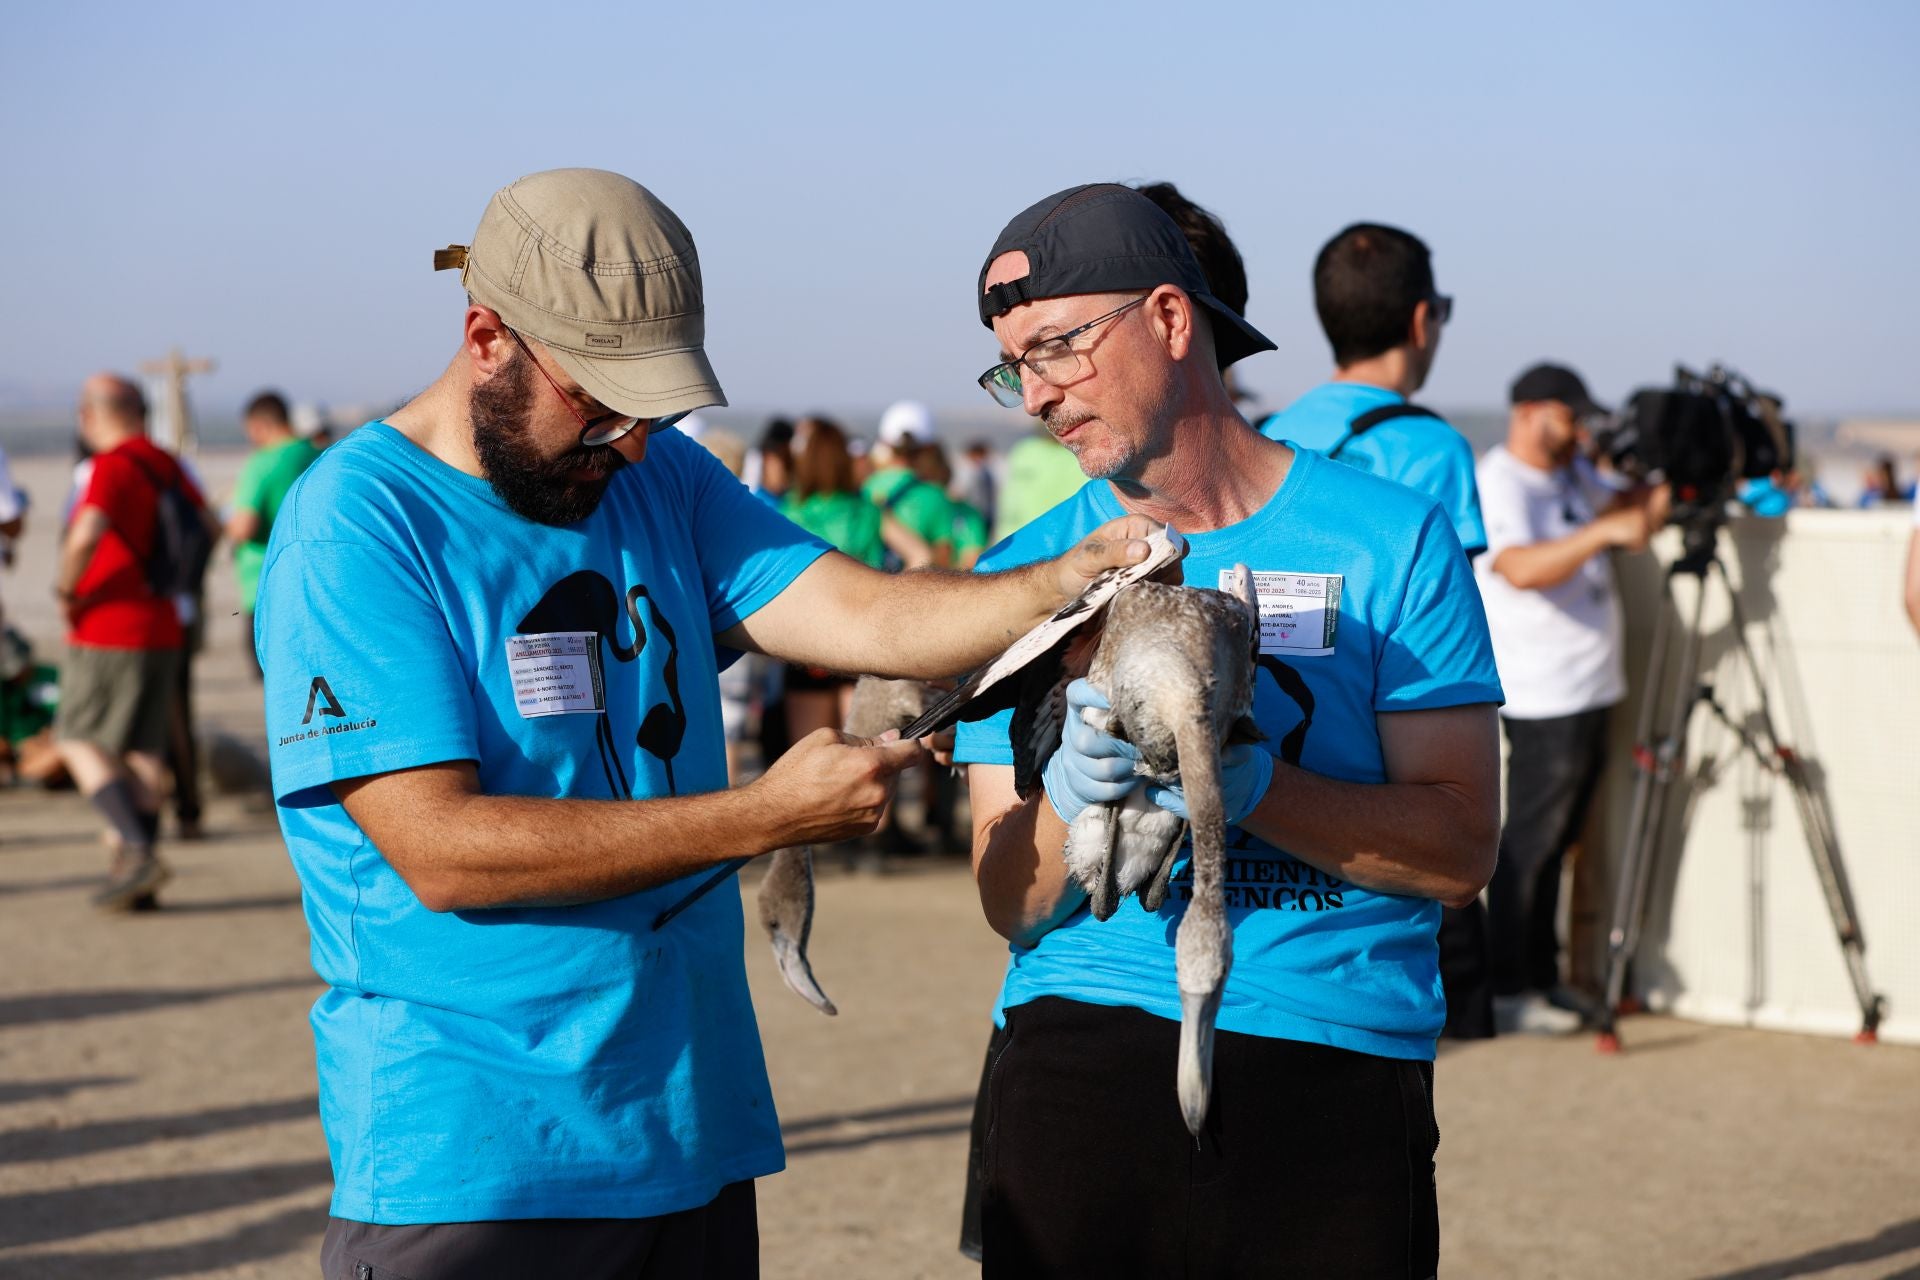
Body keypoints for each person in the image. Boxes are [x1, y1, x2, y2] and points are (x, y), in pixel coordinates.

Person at [255, 168, 1153, 1279]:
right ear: (486, 339)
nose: (632, 445)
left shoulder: (659, 475)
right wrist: (763, 816)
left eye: (658, 413)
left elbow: (864, 613)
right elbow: (441, 849)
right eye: (602, 406)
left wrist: (1060, 581)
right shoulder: (357, 526)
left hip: (689, 1131)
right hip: (477, 1158)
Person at [956, 183, 1502, 1277]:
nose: (1038, 394)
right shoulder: (1019, 574)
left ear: (1170, 318)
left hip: (1328, 1054)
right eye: (1014, 367)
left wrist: (1250, 785)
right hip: (1082, 1052)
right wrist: (1066, 795)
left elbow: (1458, 852)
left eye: (1057, 347)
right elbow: (1007, 898)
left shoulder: (1393, 538)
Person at [1475, 363, 1668, 1035]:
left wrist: (1666, 468)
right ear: (1529, 412)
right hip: (1543, 691)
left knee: (1558, 844)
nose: (1578, 429)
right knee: (1530, 845)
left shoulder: (1570, 472)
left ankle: (1544, 978)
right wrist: (1601, 534)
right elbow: (1518, 566)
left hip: (1588, 686)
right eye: (1568, 416)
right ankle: (1511, 988)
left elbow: (1630, 517)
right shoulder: (1500, 479)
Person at [52, 374, 211, 909]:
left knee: (76, 738)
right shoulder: (164, 462)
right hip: (162, 621)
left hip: (108, 627)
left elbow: (86, 532)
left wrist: (66, 590)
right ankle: (137, 879)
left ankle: (137, 851)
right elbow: (208, 525)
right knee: (143, 749)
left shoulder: (112, 465)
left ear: (90, 415)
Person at [1260, 222, 1485, 560]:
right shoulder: (1436, 449)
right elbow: (1451, 587)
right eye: (1441, 311)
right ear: (1420, 321)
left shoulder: (1268, 430)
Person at [228, 391, 322, 682]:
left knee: (275, 682)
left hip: (264, 587)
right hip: (314, 583)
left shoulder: (262, 463)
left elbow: (244, 526)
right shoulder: (318, 454)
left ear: (259, 426)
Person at [863, 400, 954, 566]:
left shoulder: (864, 489)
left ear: (885, 443)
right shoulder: (935, 495)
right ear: (928, 448)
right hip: (915, 581)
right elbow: (943, 558)